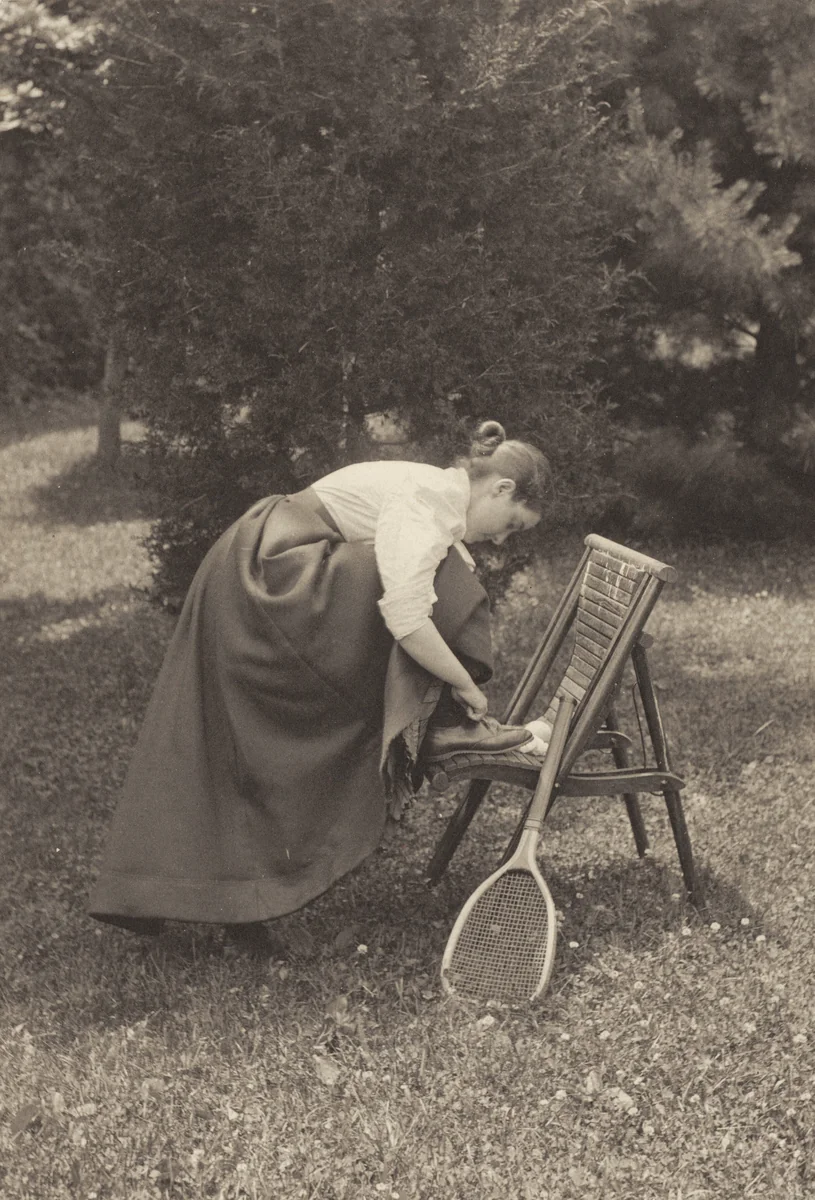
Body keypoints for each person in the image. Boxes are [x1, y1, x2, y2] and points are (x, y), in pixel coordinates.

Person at [89, 420, 551, 947]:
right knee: (244, 744)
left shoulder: (438, 501)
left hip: (271, 565)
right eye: (511, 524)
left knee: (240, 747)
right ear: (501, 488)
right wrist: (465, 686)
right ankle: (445, 725)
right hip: (269, 577)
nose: (501, 538)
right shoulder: (426, 502)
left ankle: (204, 902)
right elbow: (405, 616)